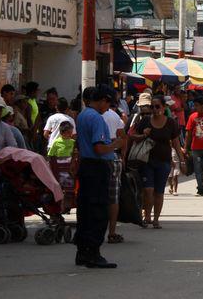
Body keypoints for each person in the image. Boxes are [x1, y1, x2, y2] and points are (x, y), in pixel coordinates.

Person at [74, 84, 123, 269]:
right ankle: (93, 252)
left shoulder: (82, 115)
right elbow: (99, 147)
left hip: (86, 165)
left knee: (85, 211)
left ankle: (82, 252)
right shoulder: (96, 119)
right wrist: (114, 144)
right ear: (103, 100)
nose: (108, 109)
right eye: (108, 104)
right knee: (98, 211)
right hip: (96, 167)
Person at [131, 95, 180, 228]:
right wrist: (144, 135)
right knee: (148, 190)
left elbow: (175, 142)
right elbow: (132, 136)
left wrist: (182, 160)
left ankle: (156, 219)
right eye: (152, 106)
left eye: (157, 106)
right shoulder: (145, 121)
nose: (154, 109)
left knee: (159, 191)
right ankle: (147, 216)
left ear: (164, 107)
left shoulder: (171, 122)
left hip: (164, 161)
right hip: (146, 160)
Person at [102, 105, 126, 244]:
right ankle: (111, 232)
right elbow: (123, 137)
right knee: (113, 196)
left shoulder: (89, 115)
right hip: (112, 156)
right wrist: (122, 154)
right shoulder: (115, 116)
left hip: (96, 157)